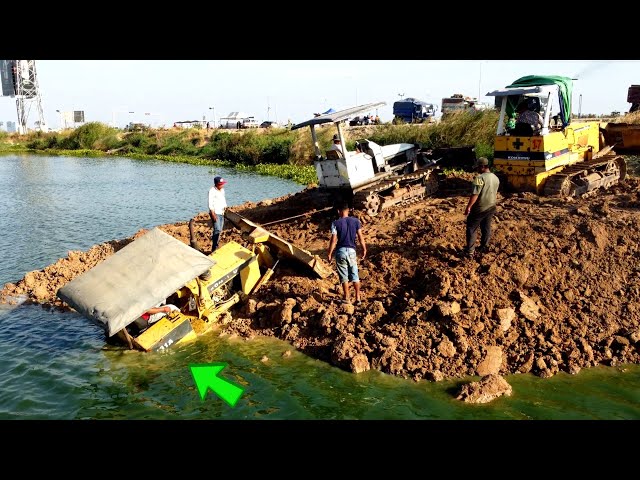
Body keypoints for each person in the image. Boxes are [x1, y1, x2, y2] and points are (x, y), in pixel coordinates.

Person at [327, 202, 367, 305]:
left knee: (344, 276)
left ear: (338, 211)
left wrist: (330, 253)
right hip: (352, 251)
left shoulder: (335, 223)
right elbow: (360, 236)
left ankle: (346, 297)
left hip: (340, 252)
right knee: (355, 275)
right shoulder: (356, 221)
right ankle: (358, 298)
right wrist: (364, 248)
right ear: (348, 210)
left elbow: (334, 240)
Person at [463, 157, 500, 258]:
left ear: (482, 167)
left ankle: (470, 252)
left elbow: (475, 195)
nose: (477, 169)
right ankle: (484, 247)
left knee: (471, 228)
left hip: (480, 208)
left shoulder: (479, 178)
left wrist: (468, 207)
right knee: (486, 227)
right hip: (491, 206)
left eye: (478, 167)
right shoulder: (495, 177)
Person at [208, 176, 228, 252]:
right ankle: (214, 247)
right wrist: (212, 213)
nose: (222, 185)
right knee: (217, 229)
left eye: (223, 184)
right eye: (221, 184)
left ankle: (216, 244)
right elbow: (210, 203)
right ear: (217, 184)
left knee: (220, 230)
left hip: (221, 212)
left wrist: (225, 207)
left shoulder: (222, 190)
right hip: (215, 213)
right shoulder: (212, 191)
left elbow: (223, 200)